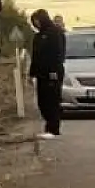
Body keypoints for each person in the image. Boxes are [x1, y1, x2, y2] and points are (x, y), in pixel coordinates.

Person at [30, 9, 66, 139]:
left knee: (52, 101)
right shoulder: (38, 36)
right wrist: (32, 73)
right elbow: (35, 56)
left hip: (53, 73)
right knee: (42, 101)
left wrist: (54, 71)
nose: (36, 24)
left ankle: (53, 129)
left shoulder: (56, 33)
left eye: (37, 21)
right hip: (41, 74)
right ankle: (49, 126)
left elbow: (59, 53)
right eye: (34, 22)